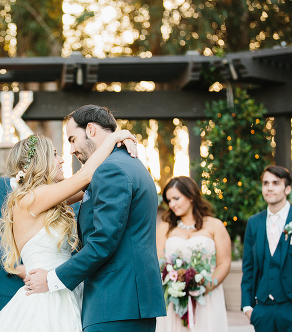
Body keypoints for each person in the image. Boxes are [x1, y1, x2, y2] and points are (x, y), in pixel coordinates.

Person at [21, 105, 166, 332]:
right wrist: (118, 137)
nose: (70, 150)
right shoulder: (127, 164)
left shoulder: (111, 170)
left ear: (90, 130)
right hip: (126, 302)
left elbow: (103, 241)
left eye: (72, 139)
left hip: (115, 301)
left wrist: (51, 279)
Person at [0, 129, 138, 331]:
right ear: (41, 161)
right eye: (55, 154)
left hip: (64, 290)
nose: (62, 160)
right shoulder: (29, 200)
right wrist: (115, 137)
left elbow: (88, 187)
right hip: (46, 300)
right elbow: (86, 175)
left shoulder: (47, 198)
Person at [154, 176, 230, 331]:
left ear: (191, 196)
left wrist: (207, 287)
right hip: (175, 297)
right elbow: (159, 260)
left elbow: (224, 262)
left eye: (176, 198)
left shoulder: (215, 225)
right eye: (169, 200)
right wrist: (174, 285)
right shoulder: (165, 227)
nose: (172, 204)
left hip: (207, 296)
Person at [240, 165, 292, 332]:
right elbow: (248, 267)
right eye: (265, 183)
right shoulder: (254, 222)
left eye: (276, 183)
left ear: (287, 189)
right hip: (263, 310)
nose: (269, 188)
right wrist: (248, 307)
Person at [0, 174, 26, 311]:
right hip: (12, 283)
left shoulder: (59, 183)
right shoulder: (7, 184)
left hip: (50, 281)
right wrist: (16, 267)